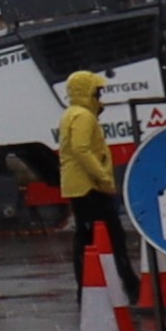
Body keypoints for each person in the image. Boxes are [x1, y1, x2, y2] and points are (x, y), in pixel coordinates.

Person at [52, 71, 122, 269]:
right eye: (97, 92)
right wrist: (103, 177)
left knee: (86, 237)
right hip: (89, 186)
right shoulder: (84, 116)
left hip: (79, 184)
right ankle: (125, 281)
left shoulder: (71, 114)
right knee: (110, 234)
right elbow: (81, 148)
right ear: (88, 92)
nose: (100, 97)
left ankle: (88, 283)